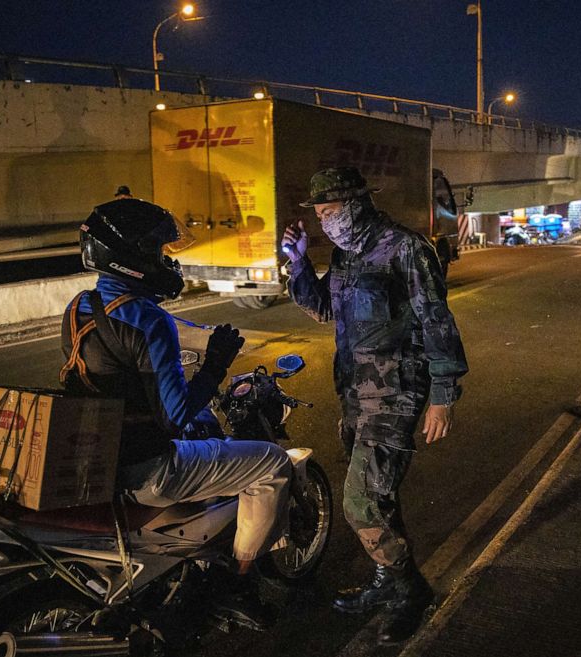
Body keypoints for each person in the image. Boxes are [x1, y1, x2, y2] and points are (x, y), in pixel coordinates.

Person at [60, 196, 292, 629]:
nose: (166, 260)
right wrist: (217, 365)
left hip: (98, 458)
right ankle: (238, 586)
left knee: (206, 431)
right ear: (134, 257)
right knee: (272, 463)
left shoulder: (81, 307)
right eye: (159, 251)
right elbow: (176, 416)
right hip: (148, 469)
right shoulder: (150, 321)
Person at [281, 167, 469, 645]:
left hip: (396, 394)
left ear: (355, 205)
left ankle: (405, 590)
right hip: (355, 396)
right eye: (318, 214)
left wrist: (443, 397)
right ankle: (397, 583)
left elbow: (437, 321)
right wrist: (299, 264)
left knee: (359, 502)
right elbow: (326, 308)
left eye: (328, 211)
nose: (323, 222)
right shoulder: (345, 254)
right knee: (379, 497)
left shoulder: (406, 249)